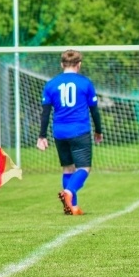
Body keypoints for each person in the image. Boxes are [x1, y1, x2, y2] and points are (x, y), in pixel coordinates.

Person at [36, 50, 103, 215]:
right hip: (79, 130)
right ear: (79, 65)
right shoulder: (85, 83)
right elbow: (94, 111)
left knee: (67, 169)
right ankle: (69, 192)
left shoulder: (51, 84)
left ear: (62, 64)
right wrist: (98, 131)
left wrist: (42, 136)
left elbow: (45, 113)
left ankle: (71, 207)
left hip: (59, 132)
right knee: (84, 168)